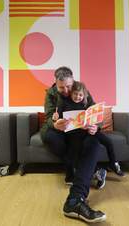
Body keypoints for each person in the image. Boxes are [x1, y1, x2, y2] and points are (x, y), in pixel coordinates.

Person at [40, 66, 106, 223]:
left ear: (73, 81)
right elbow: (49, 116)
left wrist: (96, 125)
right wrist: (55, 124)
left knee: (94, 142)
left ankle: (75, 199)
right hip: (60, 131)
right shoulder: (51, 93)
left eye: (68, 86)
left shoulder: (82, 89)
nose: (65, 90)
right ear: (55, 83)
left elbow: (96, 113)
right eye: (61, 87)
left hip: (79, 131)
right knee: (50, 136)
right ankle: (95, 171)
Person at [53, 81, 125, 177]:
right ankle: (91, 172)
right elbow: (59, 120)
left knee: (108, 141)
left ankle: (114, 164)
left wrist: (95, 126)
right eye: (75, 94)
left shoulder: (86, 103)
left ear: (84, 96)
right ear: (71, 93)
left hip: (88, 130)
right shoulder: (64, 103)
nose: (77, 97)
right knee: (77, 148)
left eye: (80, 95)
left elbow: (97, 120)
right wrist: (56, 118)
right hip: (74, 133)